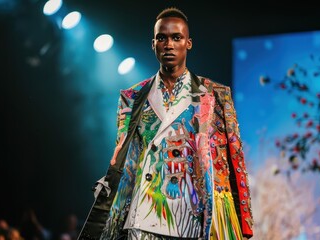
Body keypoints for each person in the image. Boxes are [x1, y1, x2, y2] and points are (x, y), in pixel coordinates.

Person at [78, 7, 253, 240]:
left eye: (176, 37)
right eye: (162, 38)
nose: (169, 44)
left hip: (193, 214)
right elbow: (124, 157)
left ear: (188, 43)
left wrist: (243, 220)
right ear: (154, 44)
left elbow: (234, 157)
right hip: (144, 214)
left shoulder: (215, 95)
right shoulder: (132, 97)